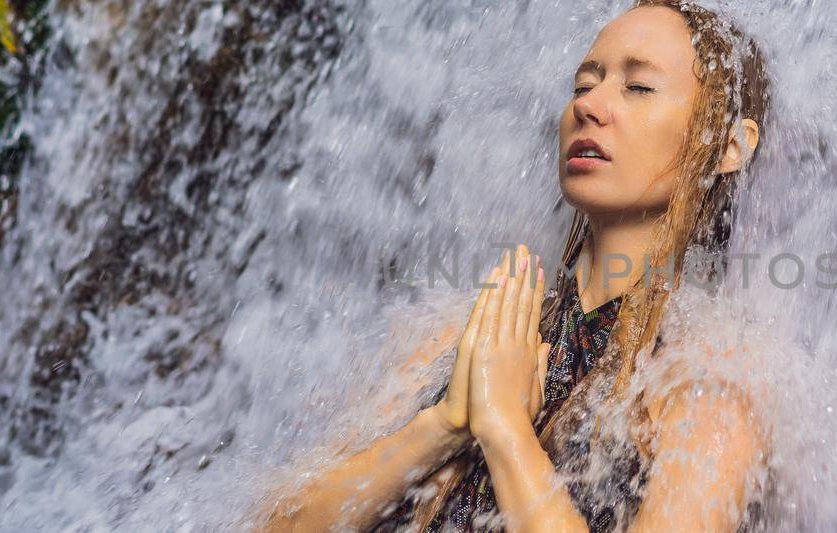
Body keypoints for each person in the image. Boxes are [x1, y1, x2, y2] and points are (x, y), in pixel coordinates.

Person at [257, 1, 771, 530]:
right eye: (583, 85)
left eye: (638, 87)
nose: (590, 105)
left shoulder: (708, 392)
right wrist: (442, 427)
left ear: (729, 146)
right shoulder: (473, 335)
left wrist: (504, 430)